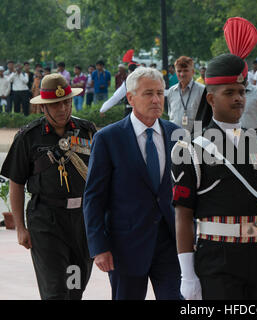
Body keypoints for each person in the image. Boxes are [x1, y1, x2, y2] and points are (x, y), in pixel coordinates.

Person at [172, 17, 257, 300]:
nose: (239, 99)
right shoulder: (191, 149)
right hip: (217, 259)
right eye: (230, 93)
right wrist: (187, 275)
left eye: (241, 92)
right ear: (211, 99)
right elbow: (183, 215)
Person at [83, 67, 182, 300]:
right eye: (148, 93)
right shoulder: (108, 139)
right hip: (125, 247)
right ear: (130, 98)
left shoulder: (176, 134)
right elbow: (94, 197)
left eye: (160, 93)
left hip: (170, 242)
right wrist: (99, 247)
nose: (157, 99)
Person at [0, 73, 96, 299]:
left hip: (82, 221)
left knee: (75, 288)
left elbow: (103, 177)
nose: (62, 108)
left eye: (66, 102)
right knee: (55, 291)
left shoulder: (88, 131)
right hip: (46, 221)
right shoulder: (28, 137)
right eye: (55, 104)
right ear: (44, 107)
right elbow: (16, 182)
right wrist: (21, 227)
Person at [166, 56, 205, 132]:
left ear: (193, 72)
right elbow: (170, 116)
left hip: (195, 138)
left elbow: (205, 117)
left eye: (186, 70)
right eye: (179, 71)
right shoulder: (171, 91)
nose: (182, 74)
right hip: (175, 138)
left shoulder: (202, 90)